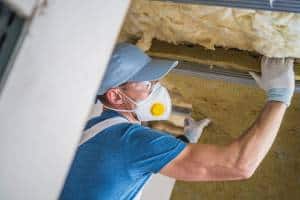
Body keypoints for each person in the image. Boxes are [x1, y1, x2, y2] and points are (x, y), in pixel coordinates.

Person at [60, 43, 295, 200]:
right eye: (146, 84)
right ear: (115, 96)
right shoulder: (132, 141)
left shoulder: (92, 131)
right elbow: (239, 165)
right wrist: (279, 97)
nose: (156, 88)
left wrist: (185, 140)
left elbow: (130, 162)